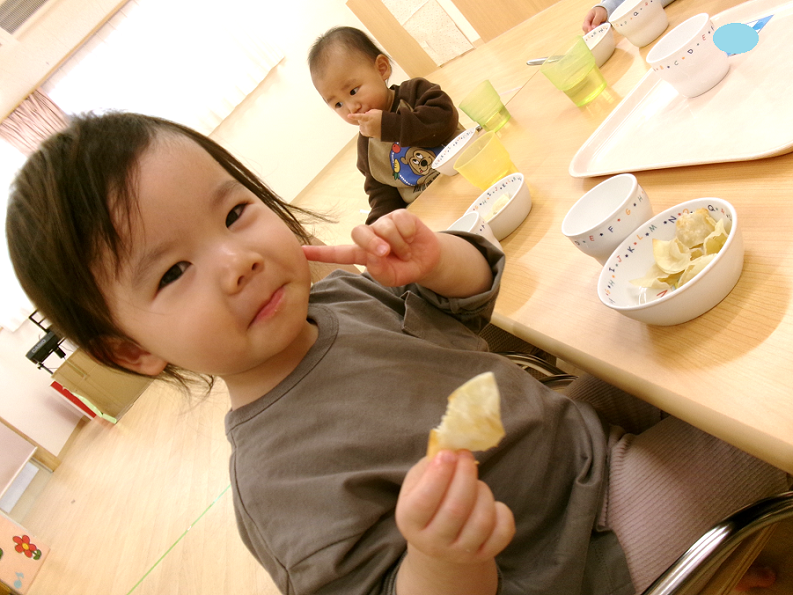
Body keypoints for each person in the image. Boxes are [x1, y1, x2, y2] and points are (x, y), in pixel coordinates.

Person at [6, 111, 789, 595]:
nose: (237, 260)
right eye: (173, 271)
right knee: (760, 421)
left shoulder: (335, 298)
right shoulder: (283, 486)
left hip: (567, 434)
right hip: (579, 547)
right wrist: (439, 559)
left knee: (691, 347)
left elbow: (471, 308)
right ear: (131, 349)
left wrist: (439, 259)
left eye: (235, 212)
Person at [308, 26, 463, 225]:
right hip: (431, 208)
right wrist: (378, 225)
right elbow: (383, 193)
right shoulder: (366, 148)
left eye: (353, 91)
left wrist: (387, 126)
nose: (352, 108)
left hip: (464, 171)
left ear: (381, 69)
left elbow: (444, 120)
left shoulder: (414, 92)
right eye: (338, 104)